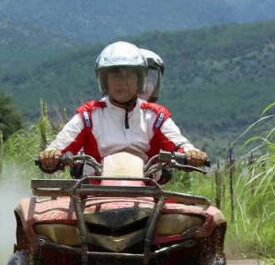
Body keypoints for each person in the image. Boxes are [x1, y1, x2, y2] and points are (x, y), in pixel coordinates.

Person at [39, 41, 206, 176]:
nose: (122, 83)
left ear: (140, 80)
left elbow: (178, 142)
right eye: (115, 76)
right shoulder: (88, 115)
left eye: (129, 76)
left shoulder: (156, 116)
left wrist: (192, 153)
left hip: (149, 191)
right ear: (104, 81)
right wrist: (51, 155)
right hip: (93, 191)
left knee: (199, 210)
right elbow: (61, 144)